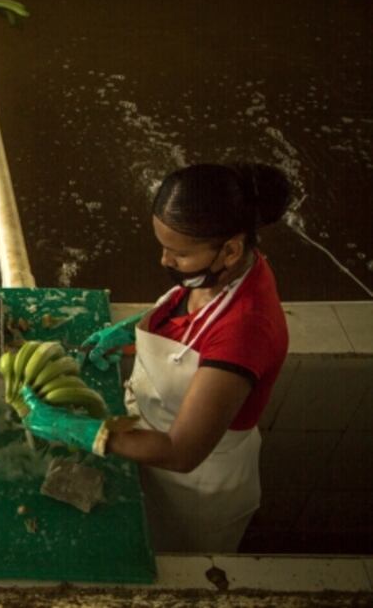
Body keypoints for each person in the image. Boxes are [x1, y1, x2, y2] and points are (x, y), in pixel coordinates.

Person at [20, 163, 292, 553]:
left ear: (231, 249)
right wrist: (132, 330)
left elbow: (181, 452)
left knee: (167, 561)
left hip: (191, 489)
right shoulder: (224, 273)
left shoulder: (246, 332)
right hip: (149, 438)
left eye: (179, 253)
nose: (165, 261)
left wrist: (80, 430)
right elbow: (191, 316)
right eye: (163, 246)